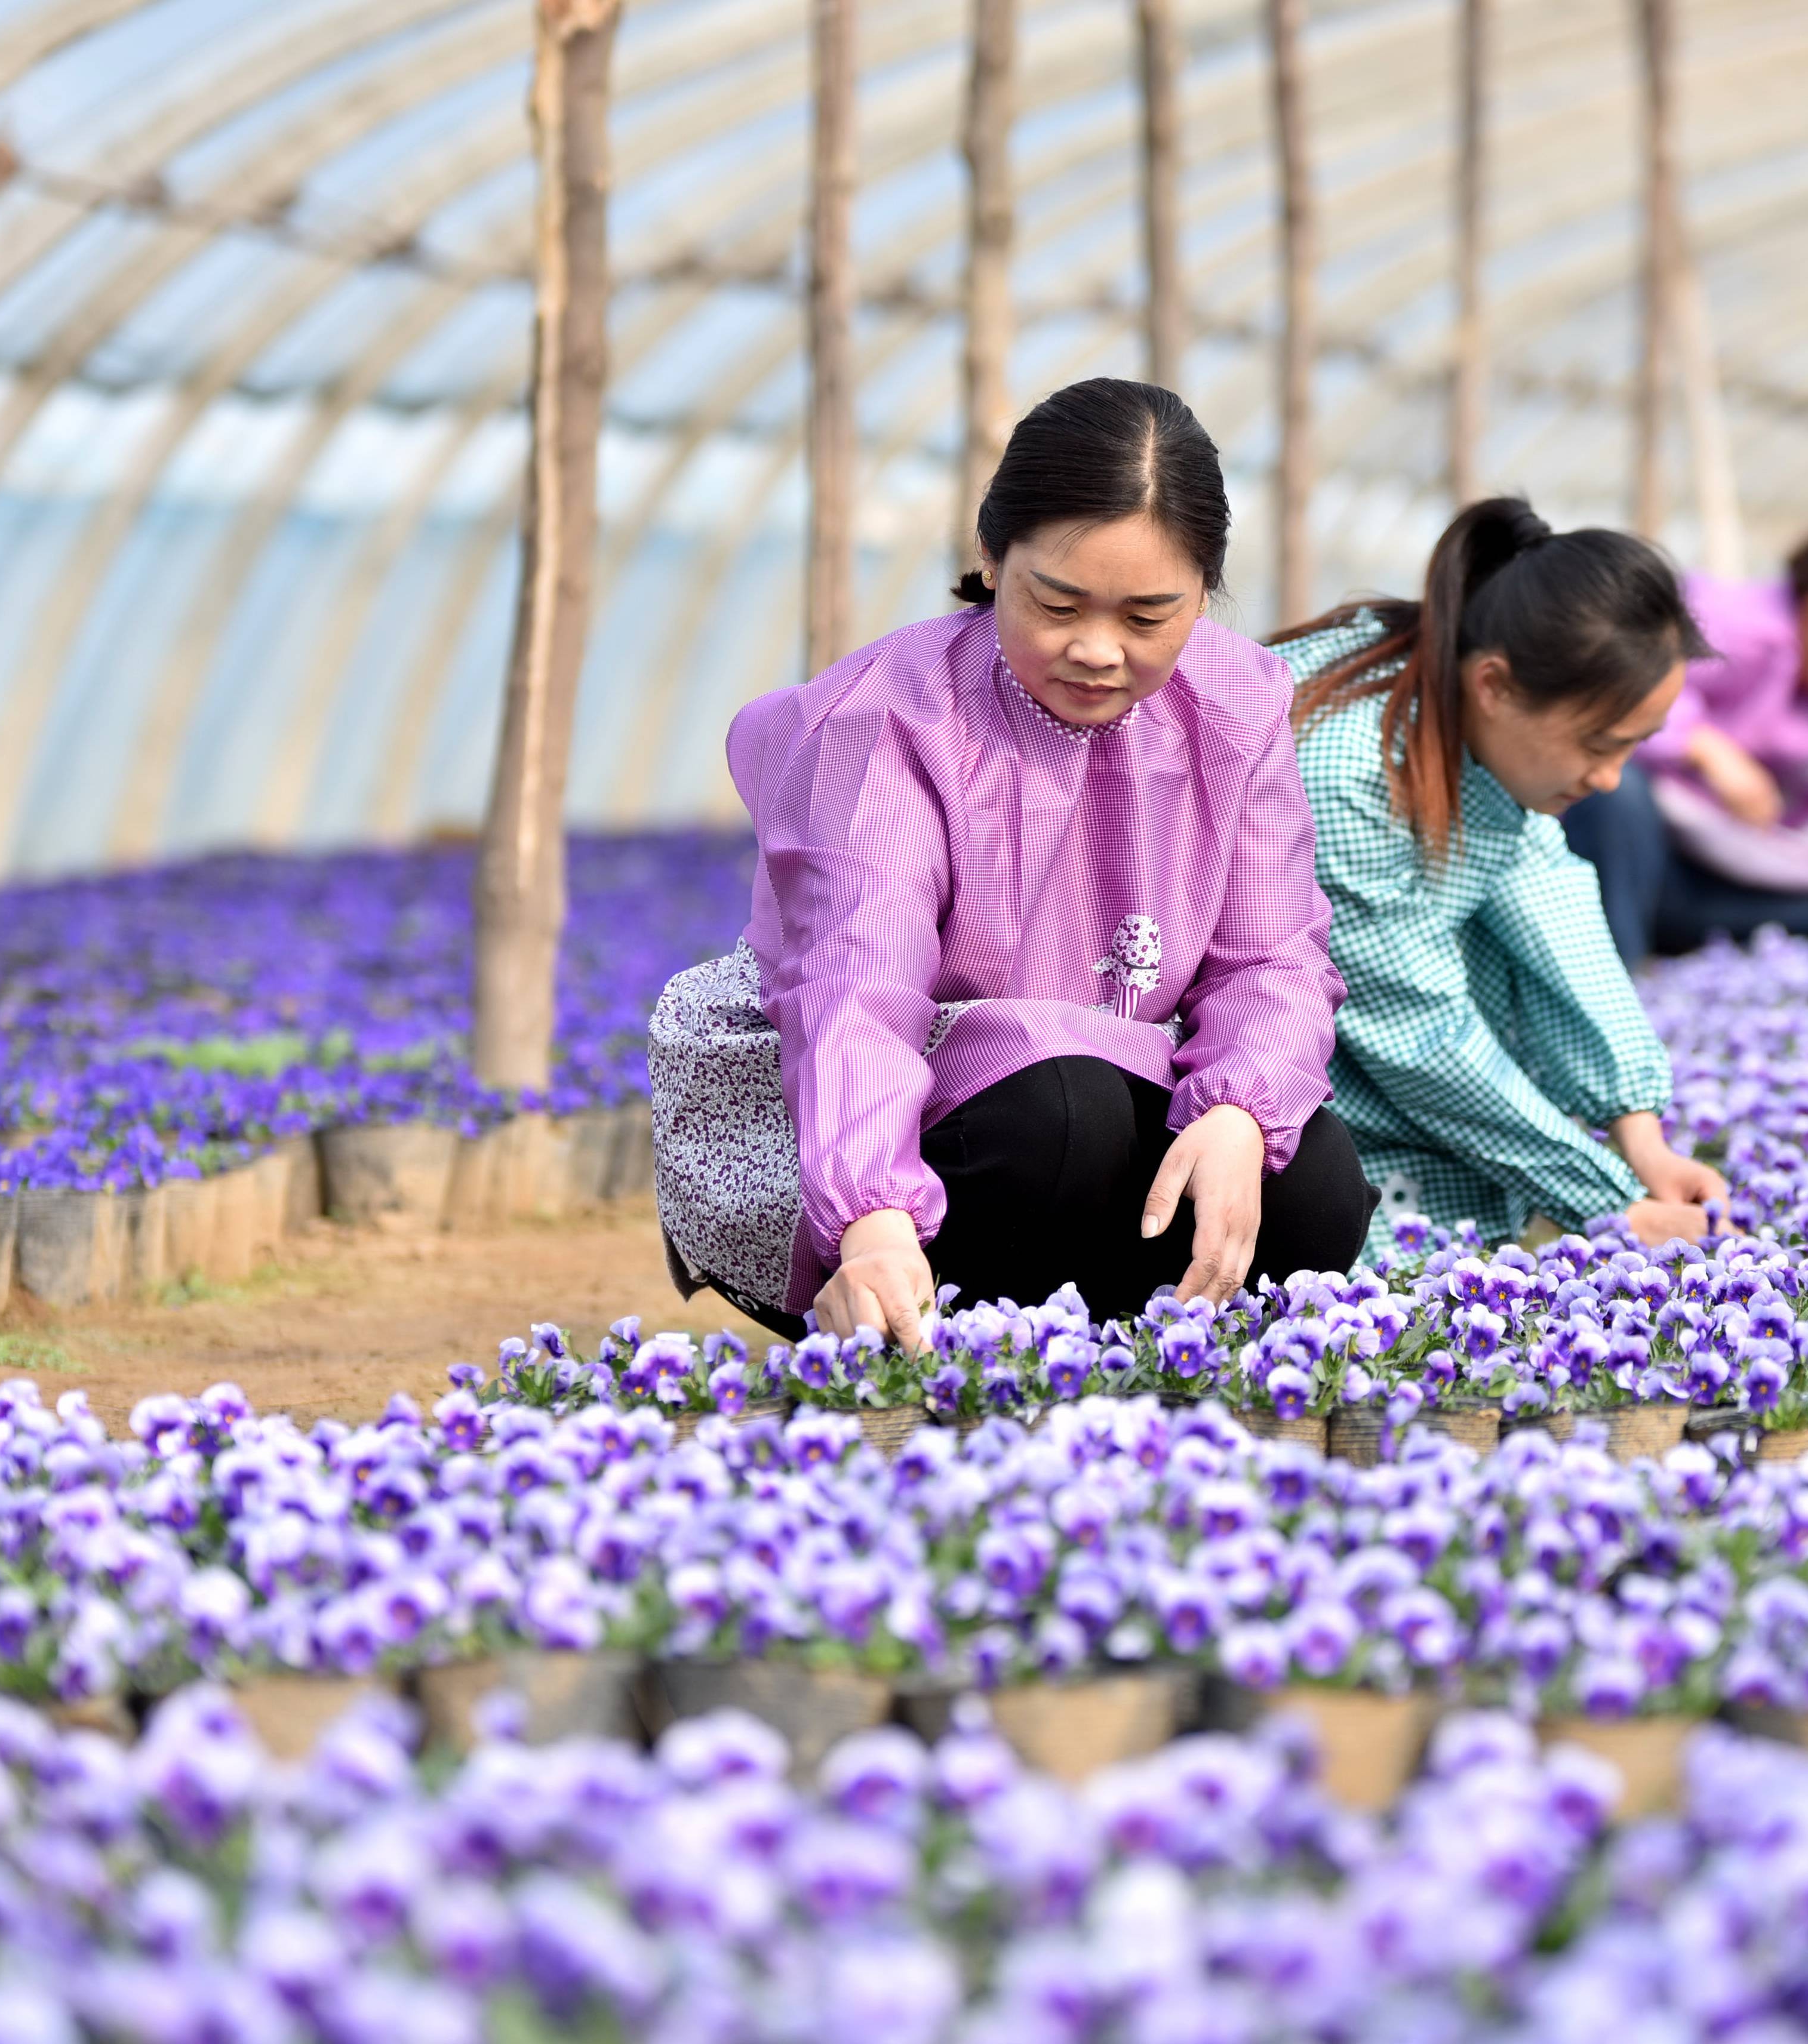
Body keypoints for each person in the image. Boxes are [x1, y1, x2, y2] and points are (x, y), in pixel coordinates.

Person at [651, 378, 1371, 1349]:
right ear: (991, 559)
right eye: (1056, 601)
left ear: (1204, 591)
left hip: (1099, 1094)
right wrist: (868, 1217)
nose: (1096, 650)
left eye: (1147, 615)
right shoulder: (889, 721)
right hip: (879, 1125)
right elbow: (854, 995)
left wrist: (1240, 1110)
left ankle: (1116, 1360)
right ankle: (925, 1346)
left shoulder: (1234, 708)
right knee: (1056, 1113)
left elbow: (1272, 961)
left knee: (1311, 1181)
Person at [1274, 497, 1729, 1264]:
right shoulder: (1348, 767)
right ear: (1495, 684)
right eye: (1598, 743)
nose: (1612, 779)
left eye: (1633, 747)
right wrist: (1610, 1202)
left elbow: (1555, 912)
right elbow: (1416, 1035)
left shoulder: (1465, 710)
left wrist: (1639, 1132)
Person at [1559, 527, 1808, 968]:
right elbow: (1625, 687)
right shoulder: (1727, 617)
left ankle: (1706, 958)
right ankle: (1614, 973)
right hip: (1658, 865)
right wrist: (1706, 749)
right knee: (1617, 791)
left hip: (1751, 881)